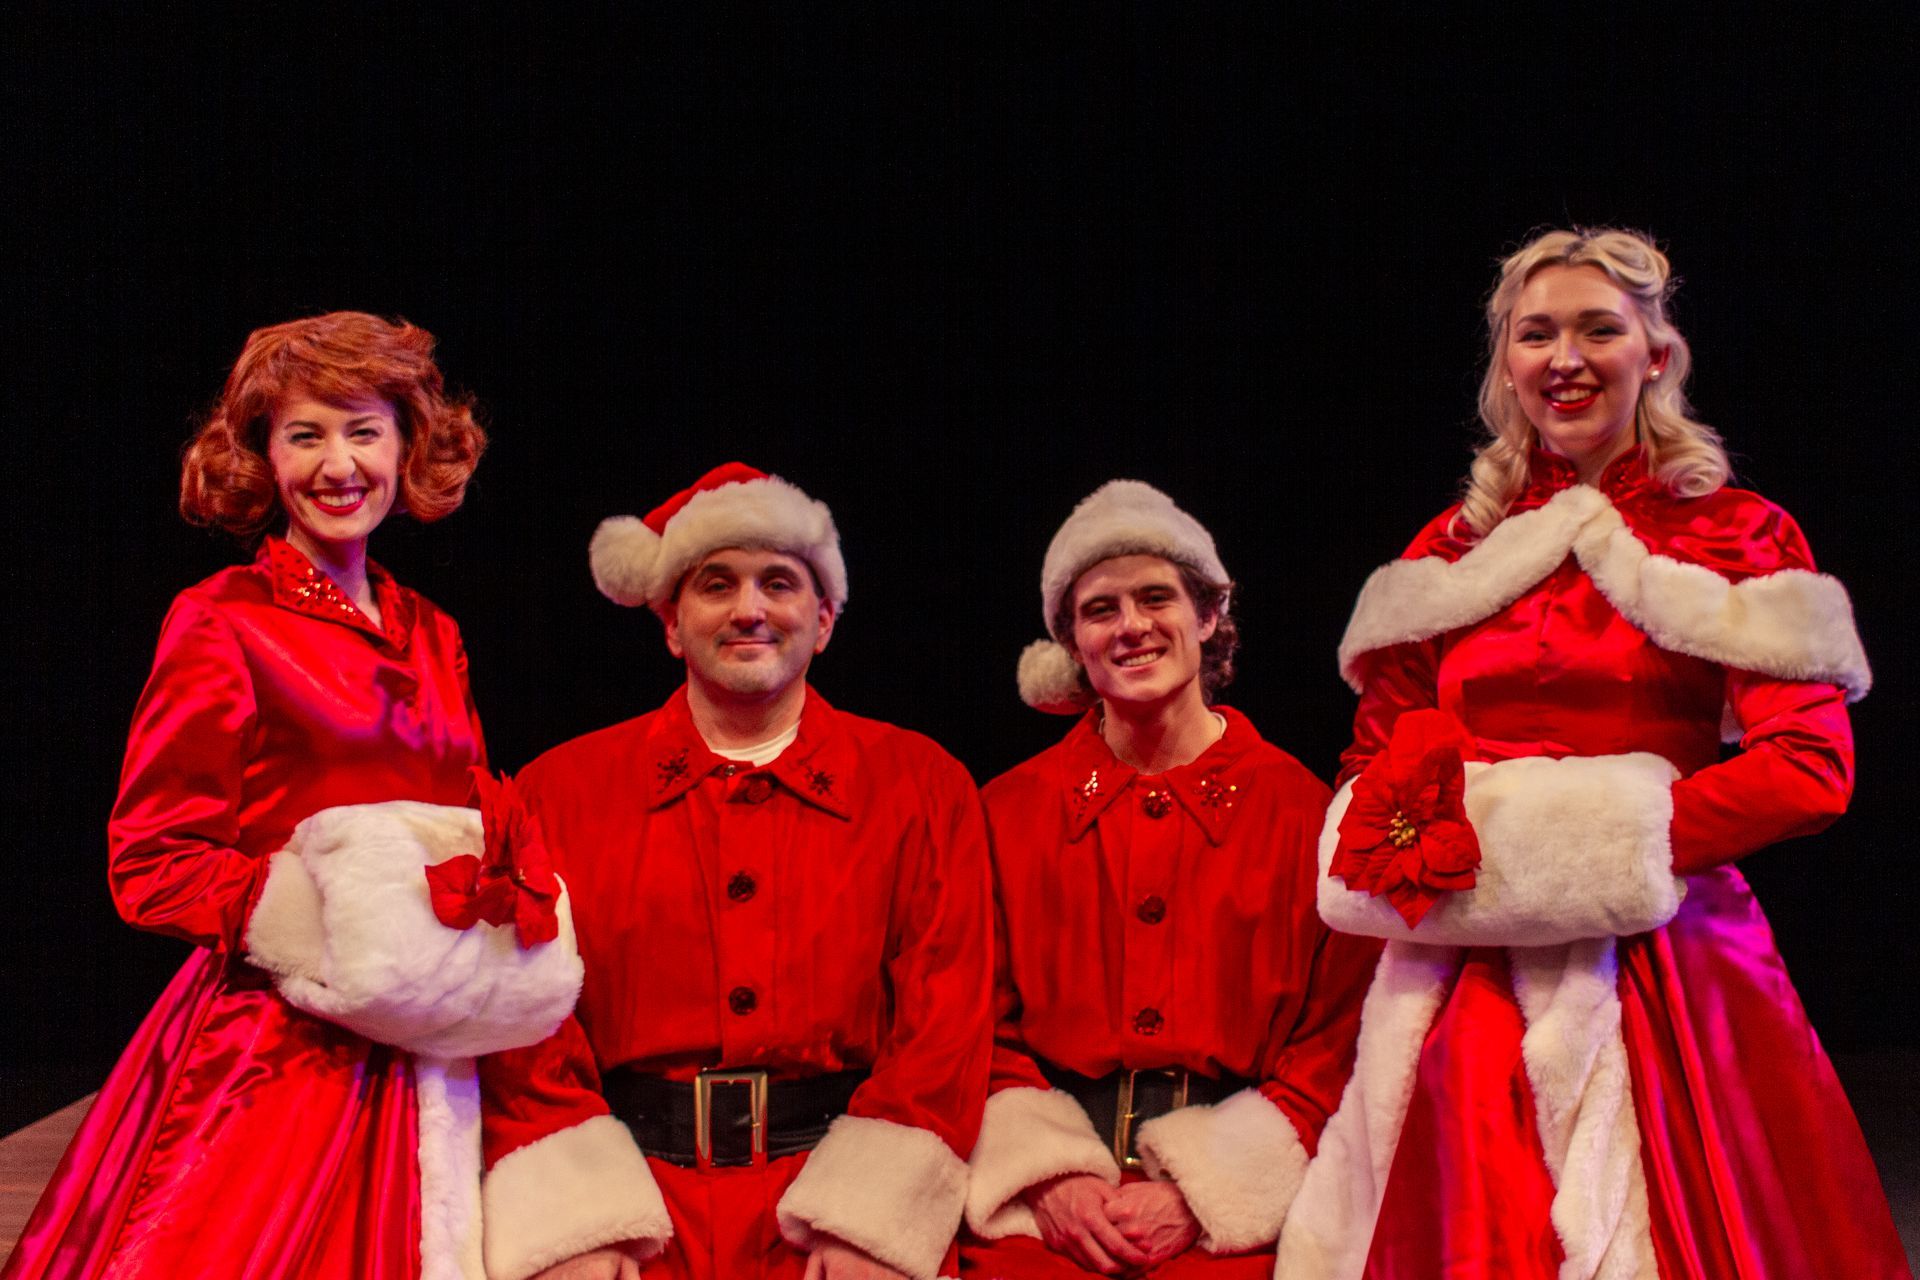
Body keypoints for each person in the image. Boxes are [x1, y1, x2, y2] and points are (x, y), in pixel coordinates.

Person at [1275, 229, 1909, 1279]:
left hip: (1662, 958)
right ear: (1506, 362)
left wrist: (1593, 857)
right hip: (1462, 965)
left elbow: (1809, 766)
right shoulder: (1450, 548)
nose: (1564, 356)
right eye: (1536, 333)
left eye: (1597, 328)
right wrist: (1415, 850)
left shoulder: (1733, 532)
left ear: (1655, 354)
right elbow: (1375, 762)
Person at [3, 312, 593, 1280]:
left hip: (429, 1049)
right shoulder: (222, 620)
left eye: (363, 430)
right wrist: (327, 935)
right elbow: (150, 860)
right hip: (277, 1049)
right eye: (304, 434)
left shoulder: (432, 629)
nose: (338, 463)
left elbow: (471, 824)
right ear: (263, 457)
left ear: (407, 447)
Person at [477, 463, 993, 1280]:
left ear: (823, 620)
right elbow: (520, 1020)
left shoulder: (920, 785)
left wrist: (876, 1220)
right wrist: (577, 1224)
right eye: (717, 584)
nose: (749, 609)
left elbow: (948, 1014)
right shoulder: (558, 791)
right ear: (673, 625)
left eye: (778, 583)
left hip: (828, 1221)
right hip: (635, 1223)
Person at [958, 481, 1379, 1278]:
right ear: (1071, 641)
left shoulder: (1301, 812)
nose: (1132, 627)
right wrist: (1051, 1178)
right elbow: (969, 1019)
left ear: (1210, 616)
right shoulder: (1003, 813)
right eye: (1100, 609)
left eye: (1157, 598)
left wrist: (1201, 1193)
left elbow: (1336, 1041)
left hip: (1233, 1227)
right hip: (1045, 1219)